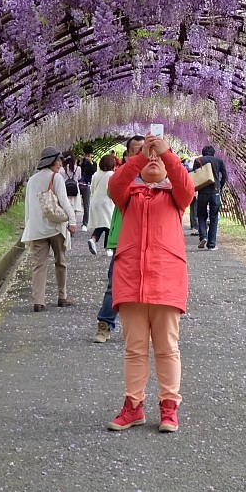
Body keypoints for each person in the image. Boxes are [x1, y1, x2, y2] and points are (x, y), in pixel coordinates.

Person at [106, 133, 195, 432]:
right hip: (131, 280)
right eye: (148, 159)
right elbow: (115, 183)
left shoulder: (175, 196)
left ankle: (169, 408)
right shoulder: (127, 195)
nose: (153, 160)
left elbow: (188, 186)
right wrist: (143, 154)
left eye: (159, 159)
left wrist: (166, 152)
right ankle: (133, 407)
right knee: (134, 348)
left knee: (167, 347)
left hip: (166, 280)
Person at [94, 136, 145, 342]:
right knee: (115, 283)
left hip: (151, 241)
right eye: (137, 150)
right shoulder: (123, 176)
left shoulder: (160, 175)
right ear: (128, 154)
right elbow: (112, 190)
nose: (143, 153)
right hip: (124, 239)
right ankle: (104, 324)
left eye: (146, 149)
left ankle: (143, 327)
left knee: (147, 285)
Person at [21, 146, 76, 312]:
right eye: (59, 160)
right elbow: (64, 202)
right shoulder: (56, 177)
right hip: (55, 228)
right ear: (52, 161)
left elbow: (28, 207)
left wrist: (28, 226)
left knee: (39, 265)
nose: (60, 163)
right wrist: (72, 220)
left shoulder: (32, 180)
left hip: (37, 229)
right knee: (61, 262)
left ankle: (39, 301)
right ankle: (62, 296)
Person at [188, 144, 226, 250]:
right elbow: (224, 176)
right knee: (214, 218)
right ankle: (211, 245)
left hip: (202, 192)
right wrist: (220, 186)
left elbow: (194, 175)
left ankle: (203, 237)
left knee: (201, 215)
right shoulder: (219, 161)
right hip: (215, 192)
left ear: (203, 152)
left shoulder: (198, 161)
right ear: (214, 152)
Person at [86, 152, 117, 255]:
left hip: (96, 201)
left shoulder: (96, 174)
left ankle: (93, 239)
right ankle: (108, 248)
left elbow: (92, 188)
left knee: (101, 223)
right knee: (109, 224)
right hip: (107, 201)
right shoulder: (112, 174)